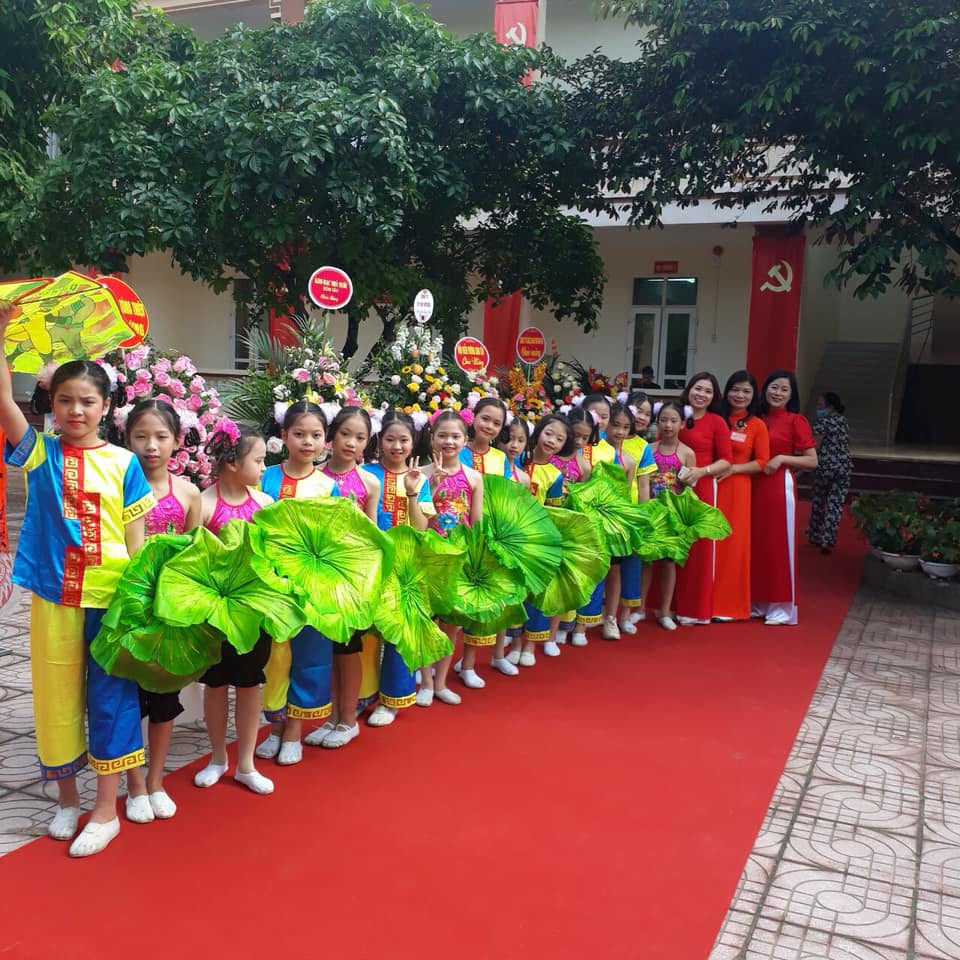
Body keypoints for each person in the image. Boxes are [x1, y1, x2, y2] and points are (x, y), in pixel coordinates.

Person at [0, 314, 156, 856]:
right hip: (54, 598)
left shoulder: (125, 463)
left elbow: (136, 542)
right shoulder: (39, 453)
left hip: (111, 600)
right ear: (52, 403)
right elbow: (3, 404)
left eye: (87, 401)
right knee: (57, 701)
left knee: (112, 701)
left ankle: (106, 811)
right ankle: (67, 800)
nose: (75, 410)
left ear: (106, 407)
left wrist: (141, 601)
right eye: (65, 400)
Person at [124, 399, 201, 822]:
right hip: (129, 610)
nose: (151, 446)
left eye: (160, 436)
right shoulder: (117, 486)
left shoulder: (188, 493)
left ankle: (155, 780)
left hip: (171, 613)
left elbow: (194, 557)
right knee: (128, 700)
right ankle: (134, 784)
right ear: (127, 438)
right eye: (141, 436)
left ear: (177, 440)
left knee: (164, 699)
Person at [193, 424, 276, 794]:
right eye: (258, 460)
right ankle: (216, 757)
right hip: (214, 615)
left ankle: (246, 764)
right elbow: (192, 561)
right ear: (231, 463)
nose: (263, 467)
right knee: (215, 684)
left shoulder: (265, 505)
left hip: (254, 614)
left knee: (249, 683)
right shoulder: (203, 504)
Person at [256, 402, 338, 765]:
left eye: (316, 435)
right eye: (299, 434)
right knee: (274, 657)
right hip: (269, 580)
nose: (308, 442)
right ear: (283, 436)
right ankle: (274, 726)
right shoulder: (265, 477)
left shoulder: (328, 486)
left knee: (308, 655)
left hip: (311, 583)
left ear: (325, 440)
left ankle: (293, 732)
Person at [309, 406, 381, 748]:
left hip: (352, 576)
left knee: (347, 647)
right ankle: (331, 715)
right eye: (345, 434)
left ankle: (348, 719)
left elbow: (372, 536)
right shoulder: (315, 478)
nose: (352, 443)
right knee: (324, 648)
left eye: (360, 437)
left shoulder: (369, 482)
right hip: (317, 572)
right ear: (332, 436)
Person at [363, 411, 436, 724]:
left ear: (413, 442)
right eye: (390, 439)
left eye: (403, 440)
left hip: (406, 564)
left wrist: (411, 491)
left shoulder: (420, 479)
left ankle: (392, 698)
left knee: (399, 632)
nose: (396, 446)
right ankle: (361, 693)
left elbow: (421, 527)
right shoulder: (366, 473)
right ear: (380, 440)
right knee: (366, 632)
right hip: (371, 562)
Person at [421, 411, 482, 704]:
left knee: (451, 623)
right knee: (426, 619)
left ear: (465, 440)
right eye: (442, 435)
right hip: (429, 555)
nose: (449, 441)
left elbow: (476, 522)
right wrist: (431, 486)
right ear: (432, 438)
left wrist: (475, 559)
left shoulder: (474, 477)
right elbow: (419, 517)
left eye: (456, 436)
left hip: (459, 557)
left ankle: (441, 681)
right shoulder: (421, 474)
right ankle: (425, 681)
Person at [752, 370, 818, 625]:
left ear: (791, 395)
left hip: (778, 486)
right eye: (774, 387)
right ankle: (758, 600)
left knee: (778, 545)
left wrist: (781, 458)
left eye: (784, 389)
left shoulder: (795, 421)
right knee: (756, 544)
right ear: (765, 388)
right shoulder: (755, 418)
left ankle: (781, 604)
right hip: (753, 485)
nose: (777, 393)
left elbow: (812, 460)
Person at [674, 372, 732, 625]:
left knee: (698, 549)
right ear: (689, 390)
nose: (701, 394)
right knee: (671, 543)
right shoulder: (677, 415)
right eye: (698, 388)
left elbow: (726, 460)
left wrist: (701, 471)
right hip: (673, 486)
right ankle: (664, 606)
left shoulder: (716, 422)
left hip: (702, 487)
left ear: (714, 396)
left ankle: (693, 609)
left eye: (708, 391)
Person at [713, 372, 770, 622]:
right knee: (707, 543)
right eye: (735, 389)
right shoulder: (716, 417)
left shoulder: (756, 424)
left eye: (746, 391)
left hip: (737, 488)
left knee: (731, 546)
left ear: (753, 395)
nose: (740, 395)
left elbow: (762, 461)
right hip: (709, 483)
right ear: (727, 391)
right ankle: (700, 602)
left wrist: (733, 468)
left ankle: (728, 606)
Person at [513, 414, 569, 666]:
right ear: (538, 432)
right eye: (549, 433)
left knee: (537, 594)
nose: (552, 441)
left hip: (538, 540)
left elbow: (554, 512)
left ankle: (529, 645)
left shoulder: (555, 475)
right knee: (516, 592)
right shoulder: (517, 461)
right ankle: (514, 643)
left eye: (559, 439)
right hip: (511, 537)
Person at [640, 401, 696, 630]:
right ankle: (640, 608)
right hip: (650, 511)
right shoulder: (648, 449)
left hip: (672, 516)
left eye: (673, 420)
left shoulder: (687, 453)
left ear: (683, 423)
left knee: (668, 563)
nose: (668, 425)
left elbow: (690, 488)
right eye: (663, 420)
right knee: (646, 560)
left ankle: (664, 611)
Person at [618, 391, 657, 631]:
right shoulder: (606, 437)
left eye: (647, 414)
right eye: (638, 410)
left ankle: (624, 615)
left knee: (631, 566)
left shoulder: (643, 447)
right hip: (607, 511)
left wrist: (642, 516)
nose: (641, 417)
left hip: (631, 513)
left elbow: (644, 485)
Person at [599, 402, 638, 640]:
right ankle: (581, 617)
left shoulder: (630, 461)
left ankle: (611, 617)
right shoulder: (596, 453)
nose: (620, 432)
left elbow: (624, 495)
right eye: (615, 425)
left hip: (615, 520)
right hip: (594, 516)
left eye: (625, 427)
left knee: (614, 569)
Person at [807, 391, 851, 554]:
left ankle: (815, 534)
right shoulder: (843, 421)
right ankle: (828, 539)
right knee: (835, 504)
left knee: (819, 501)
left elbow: (816, 446)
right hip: (843, 466)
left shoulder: (822, 423)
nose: (817, 408)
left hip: (824, 467)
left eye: (820, 405)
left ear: (830, 407)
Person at [462, 397, 511, 477]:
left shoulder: (501, 458)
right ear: (474, 416)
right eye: (485, 419)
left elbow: (507, 484)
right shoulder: (457, 451)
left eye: (496, 424)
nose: (489, 426)